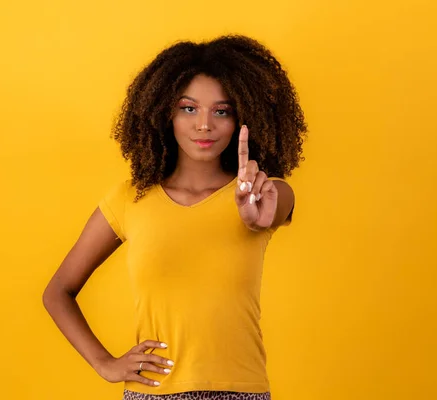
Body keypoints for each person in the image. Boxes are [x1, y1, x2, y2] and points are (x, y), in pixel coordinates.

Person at [43, 34, 307, 400]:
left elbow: (272, 210)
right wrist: (106, 364)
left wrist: (256, 216)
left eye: (222, 110)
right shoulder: (130, 199)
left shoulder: (265, 192)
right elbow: (58, 291)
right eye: (188, 108)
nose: (204, 125)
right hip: (152, 393)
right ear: (163, 112)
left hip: (241, 392)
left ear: (242, 118)